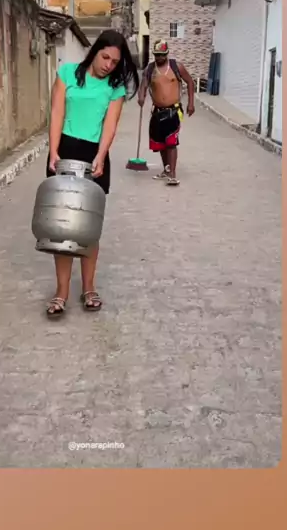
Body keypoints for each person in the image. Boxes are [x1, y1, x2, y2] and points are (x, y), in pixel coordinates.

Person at [45, 30, 139, 318]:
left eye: (115, 61)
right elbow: (57, 113)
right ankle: (61, 291)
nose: (109, 65)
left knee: (89, 226)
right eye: (105, 57)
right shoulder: (67, 74)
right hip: (64, 150)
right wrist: (53, 150)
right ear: (95, 51)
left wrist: (101, 155)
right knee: (61, 225)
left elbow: (110, 124)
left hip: (94, 154)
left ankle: (88, 287)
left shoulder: (115, 87)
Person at [138, 39, 195, 186]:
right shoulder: (150, 69)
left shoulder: (176, 67)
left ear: (167, 53)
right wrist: (141, 96)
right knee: (161, 144)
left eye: (162, 54)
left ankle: (173, 175)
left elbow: (190, 82)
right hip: (157, 111)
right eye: (157, 54)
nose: (159, 57)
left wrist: (191, 103)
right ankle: (166, 169)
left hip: (173, 111)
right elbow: (144, 84)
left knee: (171, 142)